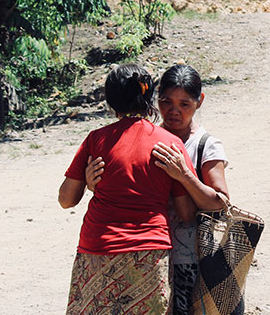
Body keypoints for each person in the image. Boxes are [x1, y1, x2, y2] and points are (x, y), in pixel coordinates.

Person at [58, 64, 221, 315]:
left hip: (96, 246)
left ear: (110, 101)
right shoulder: (170, 144)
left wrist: (93, 186)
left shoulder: (96, 140)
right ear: (151, 97)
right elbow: (186, 213)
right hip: (149, 251)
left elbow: (66, 200)